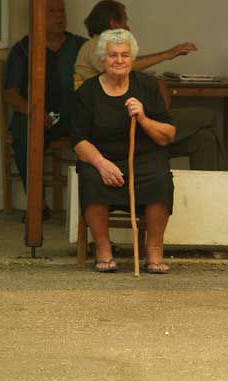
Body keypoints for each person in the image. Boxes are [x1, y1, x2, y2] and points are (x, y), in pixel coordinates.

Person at [74, 0, 228, 171]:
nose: (128, 27)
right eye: (125, 20)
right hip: (117, 125)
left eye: (125, 55)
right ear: (113, 22)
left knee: (204, 138)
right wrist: (167, 55)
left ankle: (220, 187)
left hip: (139, 126)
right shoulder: (95, 46)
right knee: (206, 115)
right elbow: (126, 66)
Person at [71, 29, 175, 273]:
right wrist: (100, 163)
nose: (119, 60)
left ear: (132, 58)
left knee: (160, 177)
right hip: (102, 157)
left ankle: (154, 250)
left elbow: (168, 134)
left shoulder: (147, 86)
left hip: (143, 157)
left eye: (125, 55)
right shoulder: (88, 92)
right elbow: (78, 140)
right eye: (113, 55)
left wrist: (143, 118)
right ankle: (103, 249)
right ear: (102, 60)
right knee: (90, 178)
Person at [3, 0, 87, 218]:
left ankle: (93, 206)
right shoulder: (23, 49)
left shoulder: (81, 46)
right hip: (39, 116)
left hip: (75, 117)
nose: (59, 16)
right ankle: (36, 204)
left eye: (62, 11)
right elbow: (10, 93)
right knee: (22, 129)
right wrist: (34, 112)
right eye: (52, 11)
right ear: (37, 16)